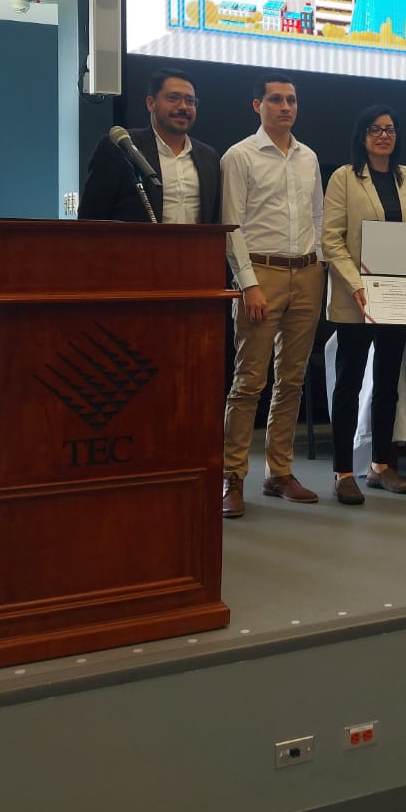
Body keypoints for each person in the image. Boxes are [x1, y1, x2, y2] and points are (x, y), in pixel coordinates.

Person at [219, 72, 324, 517]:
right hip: (261, 274)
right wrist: (248, 283)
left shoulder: (308, 157)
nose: (285, 107)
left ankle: (279, 473)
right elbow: (231, 225)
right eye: (276, 100)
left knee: (292, 380)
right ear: (256, 105)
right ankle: (231, 476)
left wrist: (318, 264)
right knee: (248, 383)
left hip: (307, 274)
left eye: (292, 100)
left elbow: (317, 216)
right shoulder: (239, 156)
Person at [322, 105, 406, 505]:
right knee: (348, 385)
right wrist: (355, 284)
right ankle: (343, 472)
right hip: (356, 298)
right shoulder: (344, 177)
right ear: (362, 136)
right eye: (375, 130)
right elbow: (331, 238)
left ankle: (381, 465)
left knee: (387, 383)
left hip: (397, 296)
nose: (384, 136)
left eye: (390, 129)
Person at [78, 68, 220, 223]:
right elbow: (90, 217)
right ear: (151, 103)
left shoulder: (208, 157)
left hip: (196, 240)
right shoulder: (121, 148)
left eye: (190, 101)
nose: (183, 107)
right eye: (173, 98)